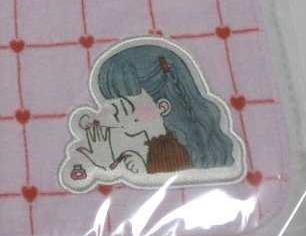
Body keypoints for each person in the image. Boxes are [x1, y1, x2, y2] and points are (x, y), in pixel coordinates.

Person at [77, 43, 235, 175]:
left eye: (124, 108)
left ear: (162, 107)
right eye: (114, 108)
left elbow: (176, 182)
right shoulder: (155, 146)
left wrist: (143, 171)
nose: (116, 117)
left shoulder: (175, 150)